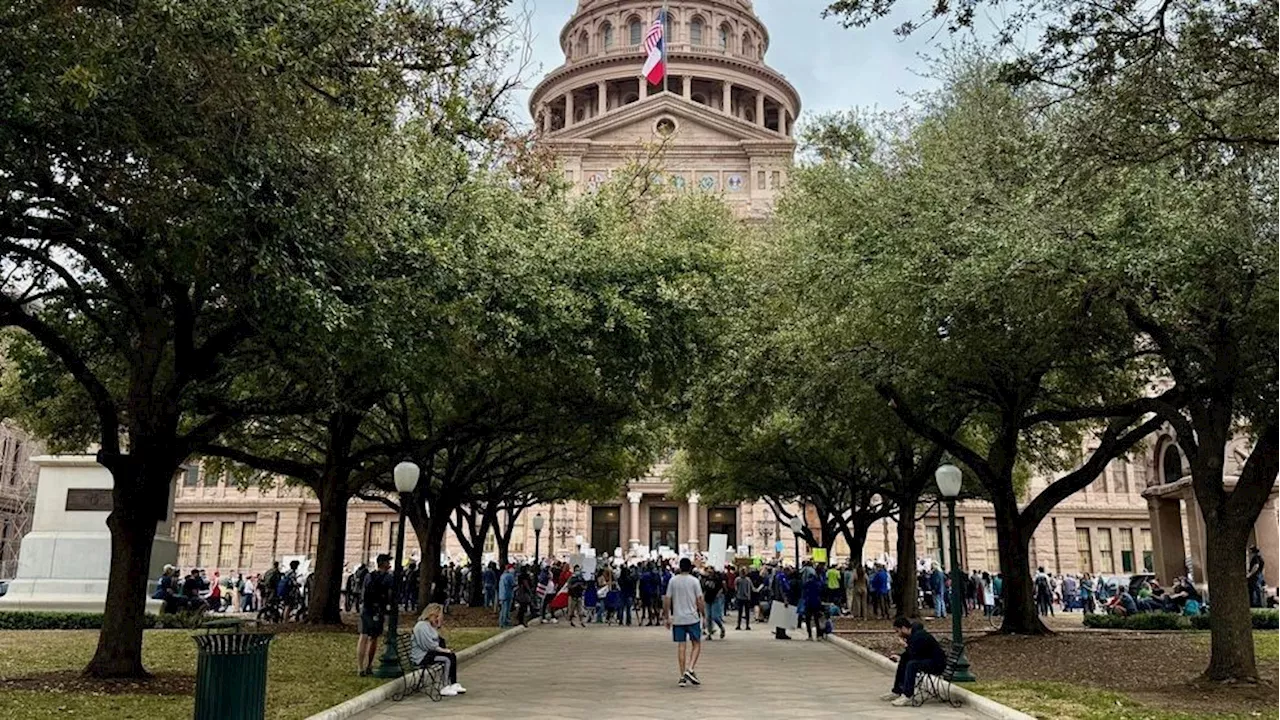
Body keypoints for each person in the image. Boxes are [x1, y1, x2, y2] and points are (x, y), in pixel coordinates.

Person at [882, 617, 947, 707]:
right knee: (904, 661)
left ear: (904, 628)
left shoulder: (919, 636)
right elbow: (913, 653)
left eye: (898, 631)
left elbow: (914, 654)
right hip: (927, 659)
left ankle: (907, 695)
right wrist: (900, 657)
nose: (898, 635)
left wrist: (905, 645)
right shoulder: (913, 635)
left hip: (937, 664)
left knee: (912, 665)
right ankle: (897, 690)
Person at [665, 557, 706, 688]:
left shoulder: (673, 581)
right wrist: (703, 614)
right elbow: (699, 599)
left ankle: (682, 675)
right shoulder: (694, 581)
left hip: (678, 618)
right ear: (690, 568)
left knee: (681, 646)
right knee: (696, 644)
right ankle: (690, 668)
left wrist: (667, 616)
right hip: (692, 617)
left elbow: (667, 599)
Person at [410, 603, 466, 696]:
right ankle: (444, 686)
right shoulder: (421, 626)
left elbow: (438, 639)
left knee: (452, 656)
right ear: (430, 614)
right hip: (422, 656)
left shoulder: (430, 626)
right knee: (447, 659)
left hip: (429, 653)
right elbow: (428, 645)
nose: (437, 619)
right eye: (436, 616)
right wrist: (442, 650)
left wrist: (438, 625)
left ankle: (453, 683)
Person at [357, 554, 393, 676]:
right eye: (388, 562)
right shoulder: (388, 578)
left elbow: (363, 592)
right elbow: (390, 594)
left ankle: (360, 667)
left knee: (363, 637)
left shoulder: (368, 576)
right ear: (384, 563)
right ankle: (369, 666)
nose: (389, 564)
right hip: (379, 610)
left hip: (367, 609)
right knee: (374, 638)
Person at [802, 568, 825, 640]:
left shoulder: (807, 583)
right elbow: (821, 592)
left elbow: (804, 592)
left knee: (808, 620)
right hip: (816, 603)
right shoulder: (818, 584)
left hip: (808, 603)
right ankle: (819, 635)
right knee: (816, 620)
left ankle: (810, 636)